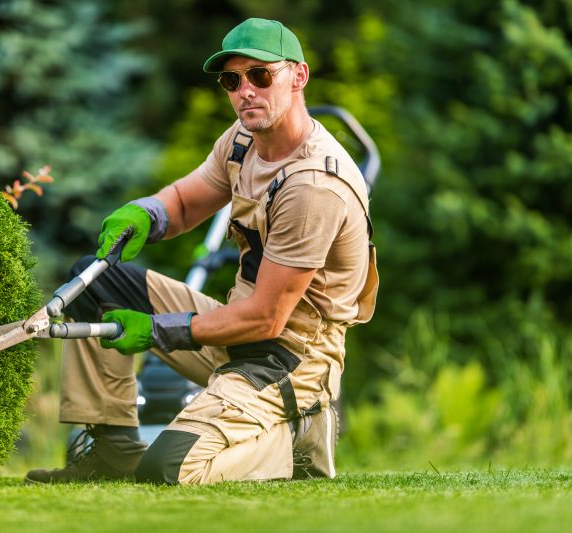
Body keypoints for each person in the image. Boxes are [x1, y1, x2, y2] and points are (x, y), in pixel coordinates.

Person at [25, 17, 378, 485]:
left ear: (299, 76)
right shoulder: (241, 140)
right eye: (232, 81)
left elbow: (266, 319)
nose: (245, 91)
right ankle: (111, 451)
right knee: (96, 278)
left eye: (260, 75)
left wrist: (154, 330)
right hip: (237, 332)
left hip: (289, 361)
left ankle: (295, 436)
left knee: (167, 468)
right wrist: (144, 213)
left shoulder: (315, 186)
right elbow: (188, 201)